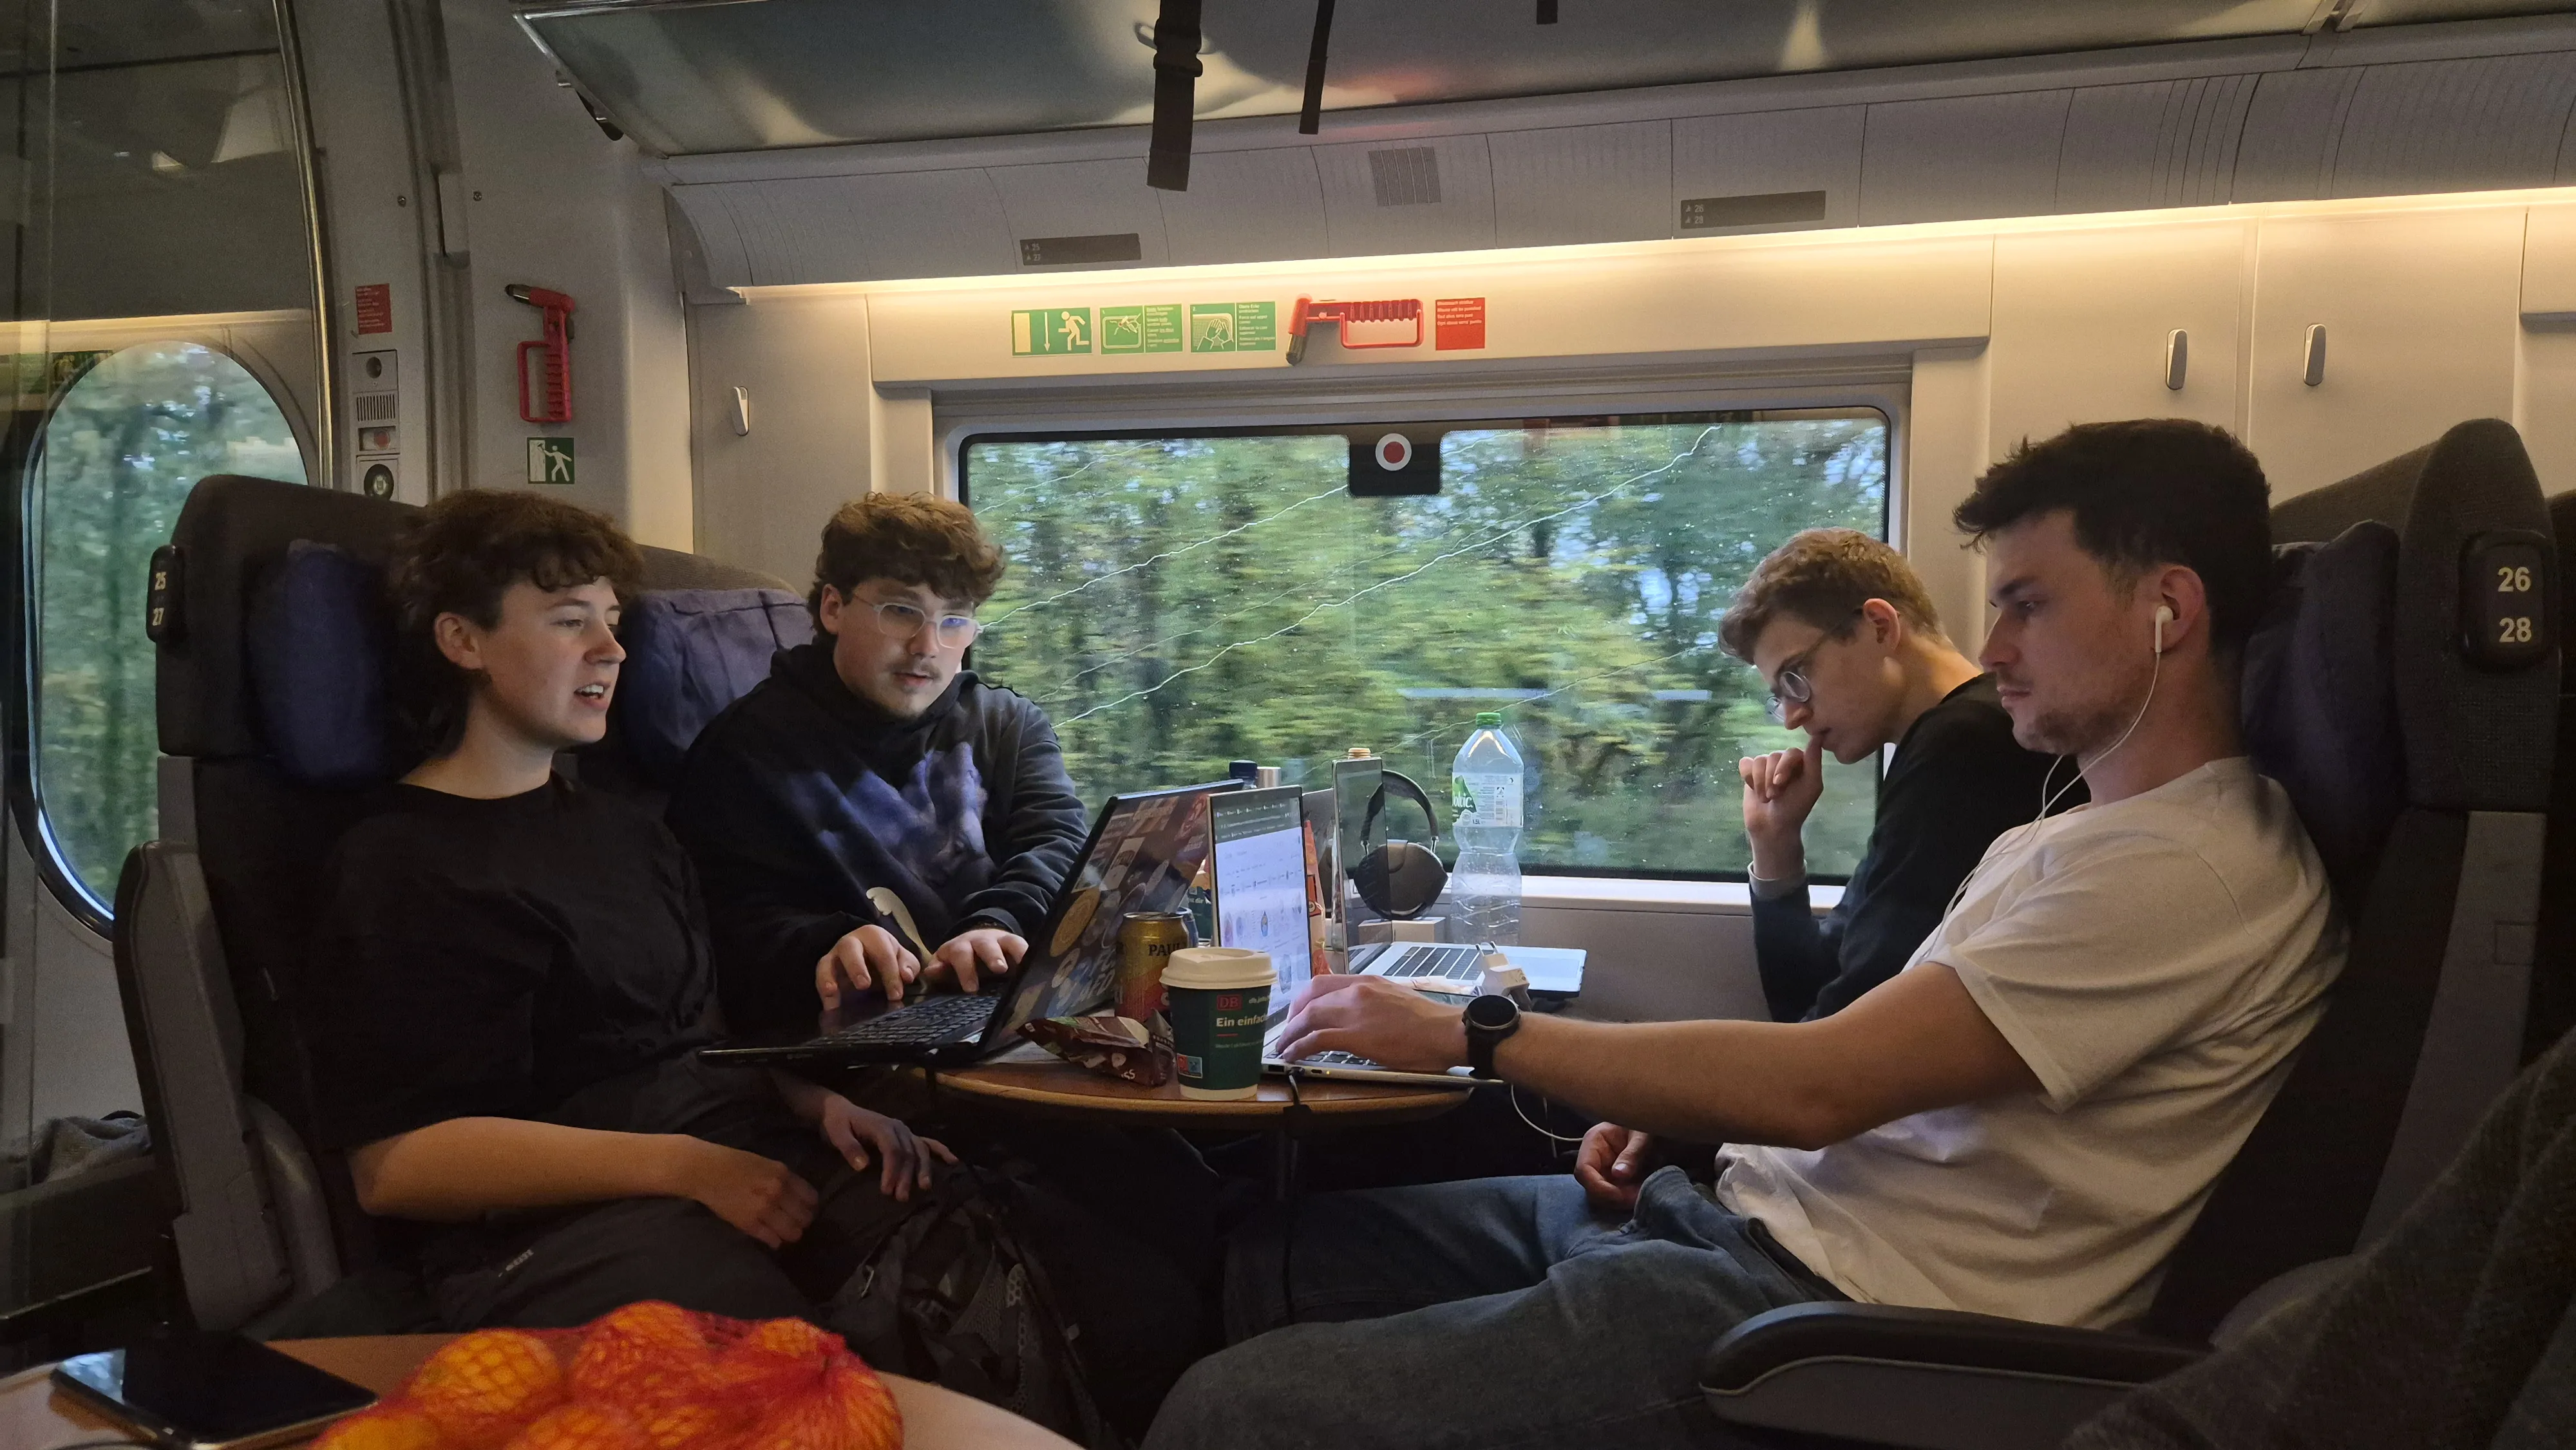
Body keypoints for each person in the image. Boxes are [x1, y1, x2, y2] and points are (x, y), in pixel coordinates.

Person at [1143, 419, 2347, 1450]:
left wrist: (1478, 1032)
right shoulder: (2076, 829)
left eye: (2029, 606)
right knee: (1276, 1261)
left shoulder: (2190, 867)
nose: (1994, 653)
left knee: (1226, 1412)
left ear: (2167, 608)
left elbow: (1826, 1080)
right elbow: (1861, 1047)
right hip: (1738, 1225)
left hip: (1819, 1318)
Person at [300, 490, 950, 1334]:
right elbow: (397, 1166)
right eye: (572, 622)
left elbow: (693, 1046)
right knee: (787, 1361)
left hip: (718, 1152)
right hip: (548, 1229)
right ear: (462, 639)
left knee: (968, 1231)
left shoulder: (627, 831)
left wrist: (821, 1108)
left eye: (612, 622)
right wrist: (687, 1169)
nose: (612, 651)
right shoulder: (401, 865)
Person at [667, 493, 1089, 1036]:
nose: (927, 646)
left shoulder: (1007, 725)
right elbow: (725, 919)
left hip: (1007, 1016)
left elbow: (1059, 846)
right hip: (861, 1043)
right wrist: (824, 946)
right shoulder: (746, 750)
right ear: (833, 609)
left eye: (955, 620)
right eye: (901, 611)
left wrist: (996, 923)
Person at [1722, 527, 2074, 1024]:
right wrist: (1775, 845)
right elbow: (1812, 996)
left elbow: (1839, 1032)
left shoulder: (1965, 750)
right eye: (1780, 696)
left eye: (1796, 678)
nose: (1793, 716)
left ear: (1879, 627)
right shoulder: (1936, 748)